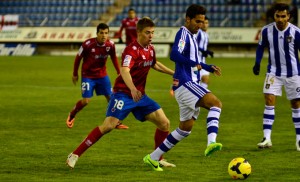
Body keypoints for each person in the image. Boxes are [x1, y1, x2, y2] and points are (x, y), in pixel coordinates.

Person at [66, 17, 176, 169]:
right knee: (108, 126)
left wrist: (174, 73)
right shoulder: (131, 50)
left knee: (164, 123)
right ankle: (75, 154)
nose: (151, 36)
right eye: (147, 33)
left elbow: (154, 64)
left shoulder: (150, 49)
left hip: (140, 96)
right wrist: (132, 88)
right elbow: (124, 70)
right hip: (123, 94)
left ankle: (157, 158)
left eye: (152, 33)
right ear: (138, 32)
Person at [143, 4, 223, 172]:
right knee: (216, 104)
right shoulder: (183, 33)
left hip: (186, 85)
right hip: (186, 83)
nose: (200, 25)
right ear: (188, 19)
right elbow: (174, 55)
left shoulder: (194, 36)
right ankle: (211, 142)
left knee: (185, 129)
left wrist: (207, 67)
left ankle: (153, 157)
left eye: (202, 22)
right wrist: (195, 64)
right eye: (197, 21)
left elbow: (194, 62)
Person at [253, 3, 300, 151]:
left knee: (296, 104)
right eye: (278, 16)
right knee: (269, 99)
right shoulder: (267, 31)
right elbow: (260, 47)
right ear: (274, 16)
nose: (280, 19)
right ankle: (267, 138)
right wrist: (257, 63)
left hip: (293, 73)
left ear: (288, 17)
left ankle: (299, 139)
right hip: (273, 72)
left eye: (283, 16)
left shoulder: (296, 32)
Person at [66, 23, 128, 129]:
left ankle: (116, 121)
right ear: (97, 33)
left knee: (111, 98)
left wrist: (119, 72)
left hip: (102, 75)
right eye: (101, 33)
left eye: (106, 33)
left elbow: (113, 58)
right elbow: (78, 58)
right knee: (86, 101)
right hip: (88, 75)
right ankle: (72, 115)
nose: (104, 35)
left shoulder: (111, 45)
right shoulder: (87, 44)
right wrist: (75, 74)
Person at [196, 16, 214, 88]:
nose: (205, 25)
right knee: (196, 80)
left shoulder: (206, 34)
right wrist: (203, 51)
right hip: (196, 60)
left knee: (205, 79)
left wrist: (208, 51)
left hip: (202, 60)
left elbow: (204, 47)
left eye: (206, 23)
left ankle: (200, 96)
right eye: (203, 23)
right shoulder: (198, 33)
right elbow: (195, 44)